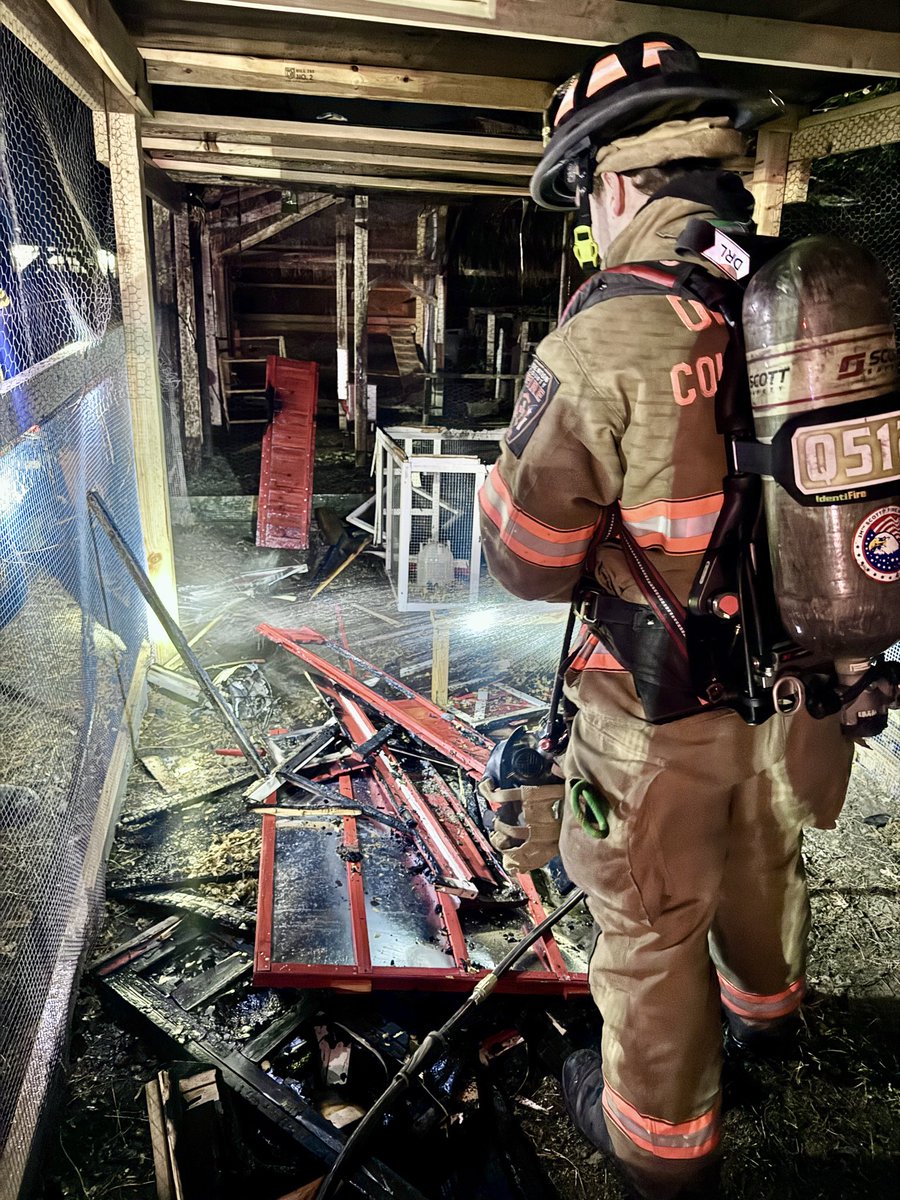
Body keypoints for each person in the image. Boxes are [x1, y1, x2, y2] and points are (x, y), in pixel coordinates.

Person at [478, 33, 855, 1200]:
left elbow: (530, 562)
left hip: (658, 707)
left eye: (590, 199)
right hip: (800, 690)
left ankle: (659, 1148)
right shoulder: (792, 301)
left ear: (619, 183)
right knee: (760, 852)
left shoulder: (604, 338)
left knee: (648, 924)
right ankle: (768, 1017)